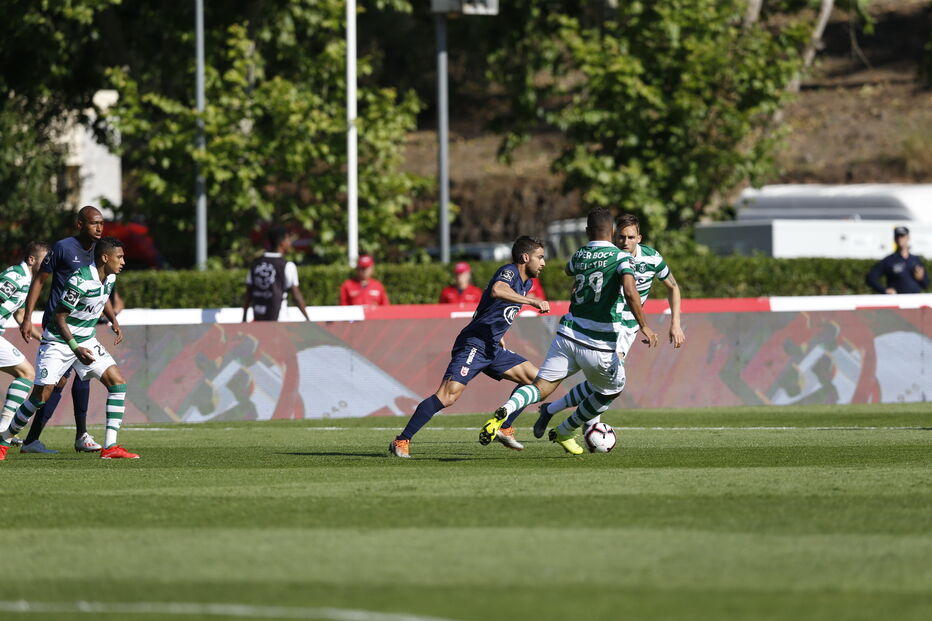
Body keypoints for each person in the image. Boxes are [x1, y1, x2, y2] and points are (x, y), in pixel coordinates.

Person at [479, 208, 658, 455]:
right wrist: (645, 325)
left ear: (587, 232)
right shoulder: (621, 258)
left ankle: (508, 410)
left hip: (567, 335)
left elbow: (569, 270)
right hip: (599, 341)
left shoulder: (579, 255)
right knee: (611, 389)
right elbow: (630, 291)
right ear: (614, 232)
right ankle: (565, 428)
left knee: (541, 386)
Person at [389, 236, 550, 458]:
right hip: (474, 344)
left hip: (492, 346)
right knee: (448, 396)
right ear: (525, 257)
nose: (543, 263)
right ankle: (402, 440)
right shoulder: (510, 272)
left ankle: (503, 427)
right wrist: (532, 301)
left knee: (537, 382)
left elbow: (493, 310)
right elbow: (497, 290)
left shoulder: (527, 283)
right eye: (540, 257)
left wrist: (499, 334)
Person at [527, 213, 685, 436]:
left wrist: (675, 324)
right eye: (621, 237)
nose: (625, 242)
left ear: (639, 238)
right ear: (614, 236)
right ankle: (585, 428)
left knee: (602, 382)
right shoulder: (610, 256)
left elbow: (673, 287)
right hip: (610, 324)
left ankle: (551, 410)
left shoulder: (652, 258)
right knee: (607, 382)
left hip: (628, 327)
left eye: (631, 237)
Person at [1, 237, 137, 460]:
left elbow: (103, 300)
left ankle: (110, 447)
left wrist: (114, 320)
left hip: (86, 340)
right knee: (40, 396)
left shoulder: (110, 277)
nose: (123, 261)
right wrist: (75, 348)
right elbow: (60, 317)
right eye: (119, 257)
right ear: (105, 258)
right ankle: (3, 440)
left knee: (117, 382)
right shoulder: (80, 280)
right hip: (59, 341)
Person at [19, 206, 121, 454]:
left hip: (84, 325)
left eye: (101, 224)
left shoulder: (101, 251)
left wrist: (111, 318)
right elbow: (40, 280)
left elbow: (101, 288)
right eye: (94, 223)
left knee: (84, 377)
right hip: (60, 325)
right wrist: (27, 317)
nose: (99, 228)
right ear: (79, 224)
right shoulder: (63, 247)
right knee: (54, 385)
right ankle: (29, 438)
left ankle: (80, 435)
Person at [0, 242, 49, 443]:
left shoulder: (28, 281)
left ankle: (4, 428)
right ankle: (4, 428)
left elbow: (20, 314)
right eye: (45, 260)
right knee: (26, 373)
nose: (49, 264)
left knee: (25, 373)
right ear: (31, 260)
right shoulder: (15, 276)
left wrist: (43, 337)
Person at [242, 227, 310, 322]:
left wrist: (244, 318)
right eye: (288, 239)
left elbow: (248, 294)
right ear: (282, 242)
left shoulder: (255, 264)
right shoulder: (287, 266)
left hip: (258, 319)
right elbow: (296, 297)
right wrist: (308, 319)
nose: (290, 243)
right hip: (279, 320)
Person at [866, 226, 928, 294]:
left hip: (914, 301)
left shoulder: (916, 259)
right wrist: (884, 290)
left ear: (908, 238)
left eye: (902, 236)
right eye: (897, 236)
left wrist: (921, 278)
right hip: (897, 301)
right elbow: (870, 278)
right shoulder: (889, 260)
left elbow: (926, 284)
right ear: (894, 239)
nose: (899, 239)